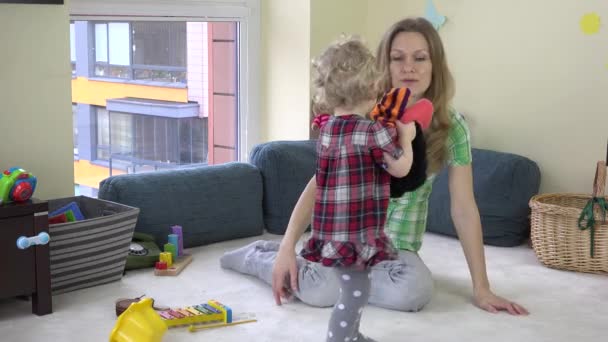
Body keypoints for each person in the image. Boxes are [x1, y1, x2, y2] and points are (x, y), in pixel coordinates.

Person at [220, 17, 529, 317]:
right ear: (384, 65)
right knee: (317, 294)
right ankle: (262, 257)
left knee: (415, 291)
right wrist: (287, 245)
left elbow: (463, 208)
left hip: (396, 251)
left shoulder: (453, 127)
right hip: (345, 239)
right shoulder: (362, 116)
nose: (409, 67)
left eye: (420, 58)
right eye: (398, 58)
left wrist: (482, 288)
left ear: (435, 66)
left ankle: (335, 280)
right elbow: (320, 184)